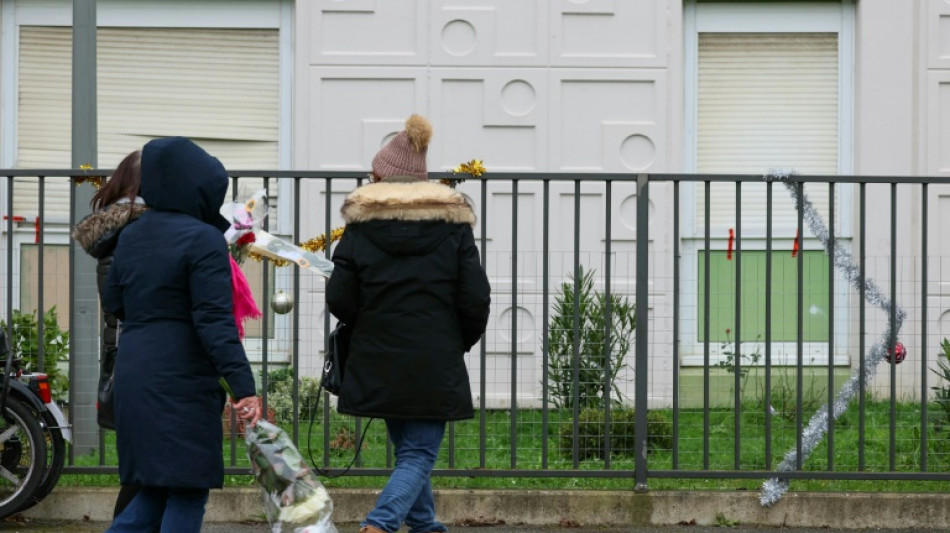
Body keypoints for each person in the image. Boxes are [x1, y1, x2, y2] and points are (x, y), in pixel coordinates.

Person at [326, 114, 491, 533]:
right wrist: (455, 341)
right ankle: (378, 525)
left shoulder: (359, 230)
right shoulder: (453, 229)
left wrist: (369, 329)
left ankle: (425, 526)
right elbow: (475, 298)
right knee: (418, 453)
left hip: (377, 356)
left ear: (381, 177)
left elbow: (340, 299)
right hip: (434, 355)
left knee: (410, 449)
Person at [101, 136, 261, 533]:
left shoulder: (130, 235)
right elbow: (214, 322)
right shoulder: (203, 239)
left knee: (153, 492)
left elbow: (114, 300)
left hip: (135, 373)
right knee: (187, 491)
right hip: (181, 380)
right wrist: (244, 387)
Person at [71, 150, 157, 527]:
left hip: (126, 356)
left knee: (144, 467)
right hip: (142, 359)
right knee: (146, 472)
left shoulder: (117, 232)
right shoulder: (137, 232)